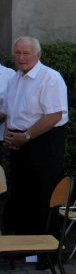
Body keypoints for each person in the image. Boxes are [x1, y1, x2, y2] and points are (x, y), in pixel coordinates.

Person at [3, 37, 67, 253]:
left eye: (26, 53)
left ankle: (46, 252)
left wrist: (27, 136)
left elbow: (54, 115)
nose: (21, 57)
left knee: (43, 194)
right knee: (21, 194)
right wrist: (10, 134)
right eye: (18, 53)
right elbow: (13, 111)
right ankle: (24, 248)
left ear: (38, 55)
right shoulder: (15, 78)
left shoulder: (50, 78)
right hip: (20, 141)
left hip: (43, 141)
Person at [0, 63, 16, 233]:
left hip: (2, 142)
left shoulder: (9, 75)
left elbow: (10, 109)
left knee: (3, 190)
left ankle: (4, 231)